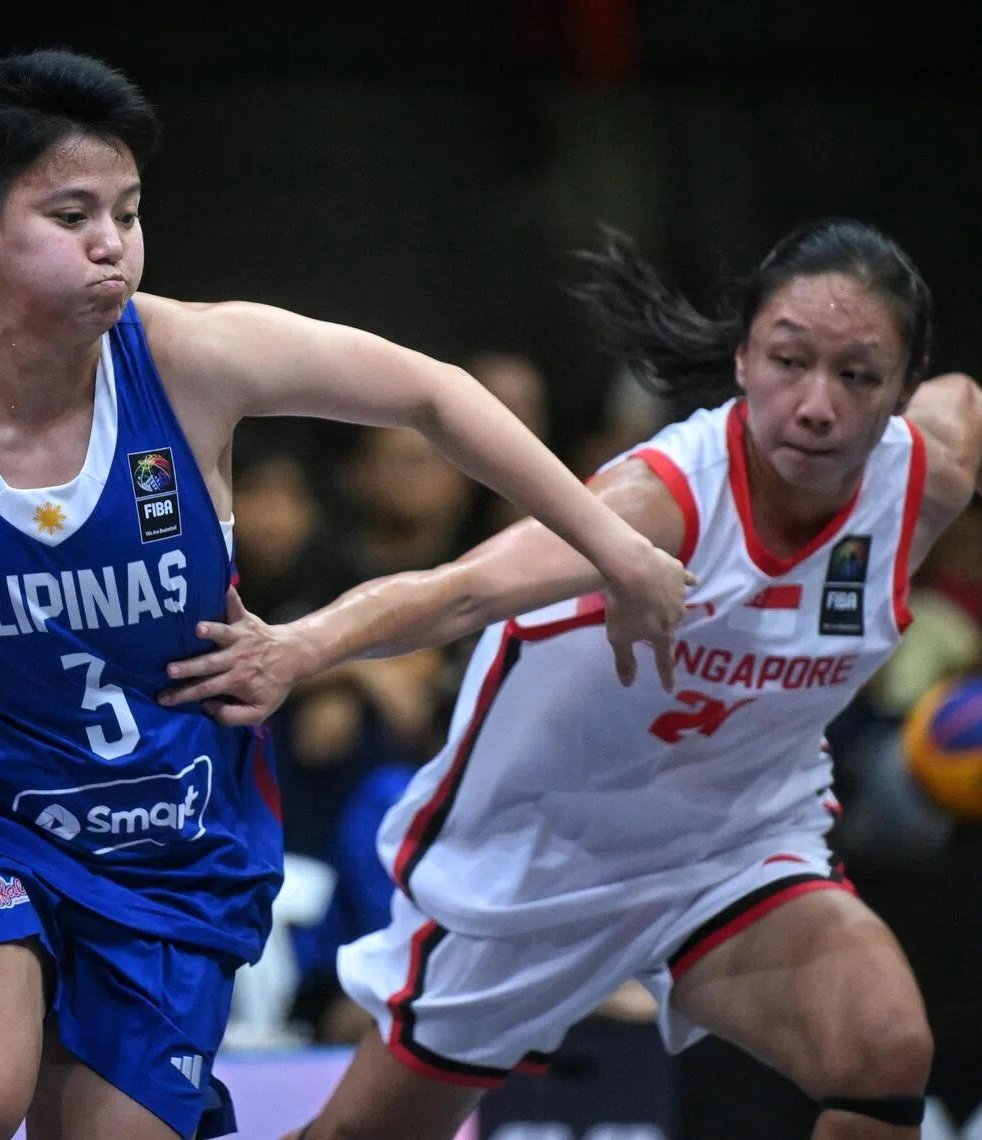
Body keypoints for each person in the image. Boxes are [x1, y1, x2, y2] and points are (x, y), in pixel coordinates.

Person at [0, 50, 691, 1140]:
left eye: (128, 210)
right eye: (71, 213)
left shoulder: (193, 355)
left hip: (167, 832)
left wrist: (615, 548)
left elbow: (436, 394)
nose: (113, 242)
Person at [161, 218, 982, 1139]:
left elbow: (964, 397)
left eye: (859, 375)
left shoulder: (926, 479)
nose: (818, 404)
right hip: (541, 863)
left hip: (733, 846)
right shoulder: (660, 503)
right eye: (790, 361)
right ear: (745, 359)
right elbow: (460, 591)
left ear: (901, 388)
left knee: (882, 1051)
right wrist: (296, 648)